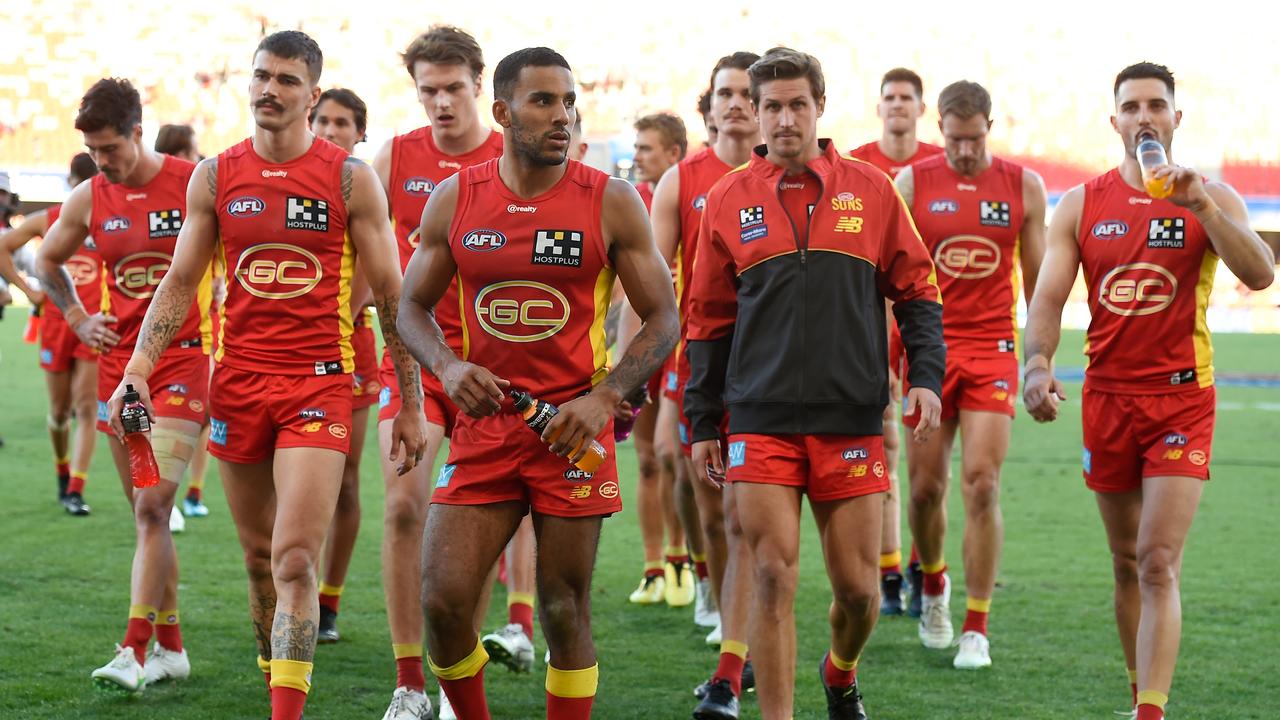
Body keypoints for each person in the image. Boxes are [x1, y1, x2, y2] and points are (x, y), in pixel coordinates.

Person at [105, 31, 427, 720]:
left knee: (292, 560)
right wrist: (138, 368)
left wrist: (411, 401)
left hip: (317, 384)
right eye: (260, 76)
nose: (268, 89)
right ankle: (273, 675)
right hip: (238, 385)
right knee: (257, 560)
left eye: (286, 79)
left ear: (313, 94)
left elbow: (394, 295)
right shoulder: (217, 175)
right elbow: (180, 280)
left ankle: (287, 712)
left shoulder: (349, 177)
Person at [397, 46, 678, 720]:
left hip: (572, 433)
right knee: (442, 600)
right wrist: (447, 366)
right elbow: (409, 306)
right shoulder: (456, 199)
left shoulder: (611, 201)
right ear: (502, 112)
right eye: (542, 101)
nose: (562, 116)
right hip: (485, 433)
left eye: (568, 102)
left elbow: (665, 318)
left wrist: (606, 397)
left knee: (563, 606)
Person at [685, 47, 944, 720]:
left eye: (798, 103)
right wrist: (704, 421)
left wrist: (926, 378)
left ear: (819, 107)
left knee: (858, 594)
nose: (785, 117)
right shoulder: (725, 200)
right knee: (772, 576)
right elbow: (707, 320)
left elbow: (917, 290)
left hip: (850, 418)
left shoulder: (872, 191)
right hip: (759, 422)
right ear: (755, 111)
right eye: (771, 105)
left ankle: (841, 672)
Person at [1023, 62, 1273, 720]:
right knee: (1126, 561)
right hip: (1107, 399)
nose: (1143, 117)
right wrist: (1037, 365)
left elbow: (1261, 272)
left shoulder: (1211, 195)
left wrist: (1199, 205)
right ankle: (1142, 693)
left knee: (1159, 559)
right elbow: (1048, 298)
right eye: (1130, 106)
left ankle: (1150, 714)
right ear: (1115, 122)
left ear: (1175, 118)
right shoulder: (1080, 204)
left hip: (1183, 400)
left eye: (1155, 105)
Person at [35, 78, 208, 693]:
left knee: (156, 503)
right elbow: (45, 259)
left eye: (110, 148)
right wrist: (79, 317)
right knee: (146, 511)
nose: (102, 161)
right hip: (119, 371)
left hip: (186, 360)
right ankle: (172, 648)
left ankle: (133, 650)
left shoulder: (194, 183)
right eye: (93, 151)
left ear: (138, 130)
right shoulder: (89, 196)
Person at [368, 26, 512, 720]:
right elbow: (356, 251)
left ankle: (457, 680)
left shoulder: (511, 155)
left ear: (480, 87)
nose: (442, 102)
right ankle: (409, 684)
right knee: (402, 508)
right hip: (416, 361)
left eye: (454, 88)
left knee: (475, 529)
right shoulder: (393, 157)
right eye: (429, 90)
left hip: (492, 370)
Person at [896, 80, 1047, 669]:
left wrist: (1038, 360)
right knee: (925, 489)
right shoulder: (912, 184)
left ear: (989, 126)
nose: (964, 150)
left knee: (982, 482)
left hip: (992, 349)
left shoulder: (1022, 186)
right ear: (940, 130)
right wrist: (891, 357)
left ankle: (977, 626)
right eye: (954, 139)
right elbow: (893, 279)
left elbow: (1040, 287)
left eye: (974, 139)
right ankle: (934, 583)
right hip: (928, 351)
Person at [649, 50, 760, 719]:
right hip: (702, 365)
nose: (739, 103)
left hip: (773, 371)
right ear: (709, 105)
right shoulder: (679, 182)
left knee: (746, 513)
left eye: (750, 92)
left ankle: (738, 642)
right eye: (727, 92)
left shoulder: (787, 173)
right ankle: (718, 592)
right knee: (708, 501)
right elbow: (653, 277)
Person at [847, 68, 944, 617]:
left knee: (928, 464)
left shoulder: (937, 163)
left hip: (924, 323)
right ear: (879, 107)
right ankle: (887, 572)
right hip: (874, 331)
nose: (898, 105)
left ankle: (916, 560)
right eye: (890, 97)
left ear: (921, 106)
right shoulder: (859, 165)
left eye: (908, 97)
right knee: (882, 452)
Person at [620, 112, 697, 610]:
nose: (638, 155)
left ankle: (681, 559)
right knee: (648, 459)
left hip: (684, 343)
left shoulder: (683, 196)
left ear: (673, 154)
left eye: (647, 147)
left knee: (676, 457)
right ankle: (652, 568)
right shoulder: (625, 203)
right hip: (644, 343)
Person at [307, 86, 375, 646]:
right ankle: (293, 589)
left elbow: (381, 271)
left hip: (350, 350)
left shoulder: (359, 184)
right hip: (282, 356)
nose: (331, 132)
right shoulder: (297, 178)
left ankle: (329, 599)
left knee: (346, 480)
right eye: (323, 121)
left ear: (360, 133)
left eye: (342, 124)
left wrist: (341, 315)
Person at [0, 152, 100, 515]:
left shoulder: (111, 218)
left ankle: (76, 488)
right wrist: (30, 293)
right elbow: (3, 247)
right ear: (71, 184)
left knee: (87, 408)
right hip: (58, 325)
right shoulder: (52, 219)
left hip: (94, 326)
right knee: (59, 411)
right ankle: (63, 475)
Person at [152, 123, 205, 532]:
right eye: (190, 152)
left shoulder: (207, 195)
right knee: (143, 504)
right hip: (139, 350)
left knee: (202, 420)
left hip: (196, 343)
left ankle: (190, 494)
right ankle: (170, 498)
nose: (197, 159)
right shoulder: (100, 197)